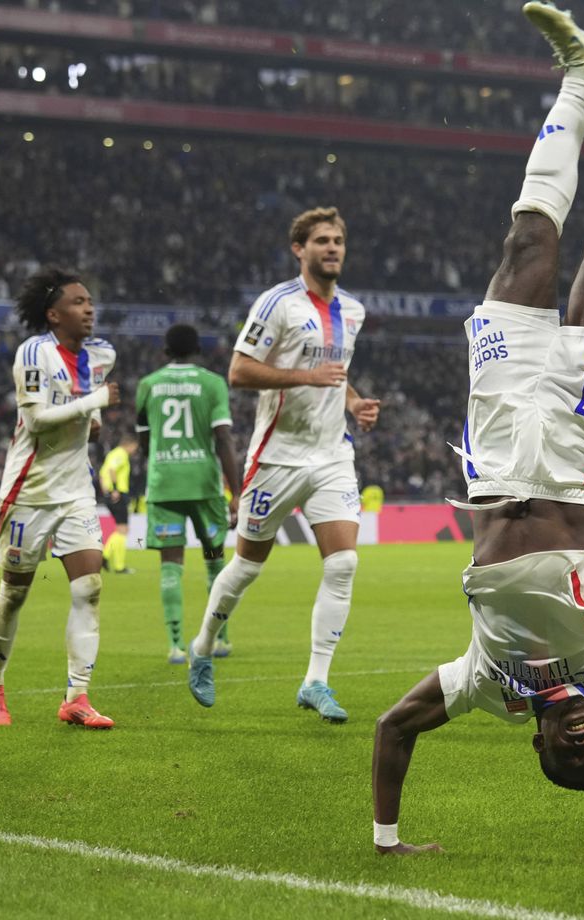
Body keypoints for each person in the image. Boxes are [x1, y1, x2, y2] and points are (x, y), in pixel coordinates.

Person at [371, 5, 584, 869]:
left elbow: (394, 727)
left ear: (538, 748)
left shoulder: (489, 686)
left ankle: (579, 72)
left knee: (527, 241)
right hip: (575, 454)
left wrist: (387, 840)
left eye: (572, 753)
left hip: (493, 447)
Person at [185, 206, 380, 723]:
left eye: (338, 240)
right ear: (300, 249)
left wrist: (353, 401)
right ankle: (202, 646)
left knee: (343, 564)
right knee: (247, 566)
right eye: (322, 240)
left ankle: (316, 680)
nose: (333, 248)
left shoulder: (354, 311)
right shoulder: (277, 304)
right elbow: (239, 371)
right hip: (277, 457)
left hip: (332, 456)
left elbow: (336, 374)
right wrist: (305, 379)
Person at [0, 266, 120, 729]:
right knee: (15, 594)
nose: (89, 308)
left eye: (90, 301)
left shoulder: (101, 356)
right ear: (54, 314)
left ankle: (77, 696)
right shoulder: (34, 352)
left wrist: (89, 422)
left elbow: (81, 415)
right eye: (78, 302)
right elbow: (37, 420)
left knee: (90, 588)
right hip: (30, 492)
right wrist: (93, 403)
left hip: (76, 490)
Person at [136, 324, 243, 665]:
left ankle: (175, 645)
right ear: (198, 350)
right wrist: (236, 491)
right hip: (204, 486)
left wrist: (163, 462)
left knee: (170, 566)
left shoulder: (148, 386)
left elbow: (144, 442)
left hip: (165, 485)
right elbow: (223, 439)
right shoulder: (212, 384)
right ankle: (219, 639)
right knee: (214, 563)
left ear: (165, 351)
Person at [99, 433, 139, 575]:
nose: (135, 450)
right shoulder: (120, 454)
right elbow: (111, 470)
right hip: (118, 495)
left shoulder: (112, 454)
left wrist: (106, 491)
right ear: (130, 444)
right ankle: (119, 566)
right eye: (135, 447)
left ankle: (105, 557)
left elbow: (102, 473)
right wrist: (114, 490)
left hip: (111, 495)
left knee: (119, 530)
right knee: (123, 530)